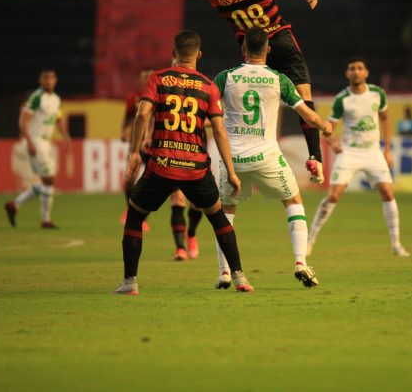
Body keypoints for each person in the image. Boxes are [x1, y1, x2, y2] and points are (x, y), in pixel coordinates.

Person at [114, 30, 252, 295]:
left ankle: (130, 282)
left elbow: (143, 115)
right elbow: (220, 131)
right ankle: (239, 277)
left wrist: (134, 152)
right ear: (199, 55)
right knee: (218, 217)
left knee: (135, 215)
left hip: (161, 165)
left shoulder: (158, 78)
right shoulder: (208, 86)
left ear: (173, 53)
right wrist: (231, 172)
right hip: (196, 168)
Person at [212, 27, 333, 289]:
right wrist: (325, 126)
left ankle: (224, 272)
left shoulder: (225, 77)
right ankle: (301, 263)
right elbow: (307, 114)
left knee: (226, 212)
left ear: (243, 49)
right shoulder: (279, 79)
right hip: (266, 155)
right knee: (293, 202)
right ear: (269, 49)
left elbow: (207, 109)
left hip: (232, 158)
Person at [208, 0, 325, 184]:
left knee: (258, 103)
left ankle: (252, 156)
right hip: (281, 41)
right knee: (304, 96)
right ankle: (315, 157)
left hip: (254, 52)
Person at [307, 56, 410, 257]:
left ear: (366, 72)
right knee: (333, 196)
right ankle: (310, 240)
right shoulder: (342, 99)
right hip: (350, 153)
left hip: (373, 152)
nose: (356, 71)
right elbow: (328, 129)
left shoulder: (378, 94)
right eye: (352, 68)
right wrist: (332, 142)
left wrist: (387, 150)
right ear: (347, 74)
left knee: (388, 193)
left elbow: (386, 120)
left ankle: (396, 245)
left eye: (359, 68)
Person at [121, 67, 205, 258]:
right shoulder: (150, 95)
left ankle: (191, 234)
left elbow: (215, 120)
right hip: (167, 151)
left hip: (195, 153)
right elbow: (142, 118)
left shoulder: (202, 91)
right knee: (176, 198)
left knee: (197, 205)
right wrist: (141, 138)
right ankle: (180, 248)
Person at [4, 69, 71, 229]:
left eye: (52, 78)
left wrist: (66, 136)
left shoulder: (55, 99)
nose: (49, 81)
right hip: (35, 141)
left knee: (46, 183)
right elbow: (23, 120)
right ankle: (45, 220)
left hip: (47, 143)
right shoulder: (36, 97)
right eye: (46, 78)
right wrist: (29, 142)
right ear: (40, 81)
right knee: (49, 181)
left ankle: (14, 204)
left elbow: (58, 119)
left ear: (55, 80)